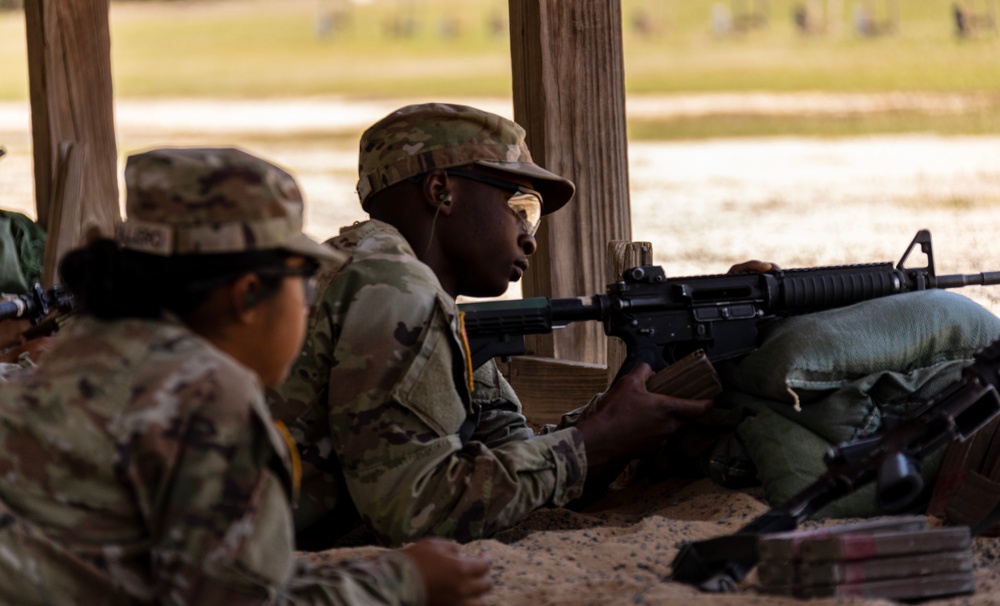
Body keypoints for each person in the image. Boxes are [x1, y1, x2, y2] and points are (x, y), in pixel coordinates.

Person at [0, 147, 492, 606]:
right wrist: (405, 580)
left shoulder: (80, 350)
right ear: (250, 294)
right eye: (306, 284)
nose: (307, 304)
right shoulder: (207, 391)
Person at [267, 103, 714, 549]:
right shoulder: (394, 288)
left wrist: (613, 421)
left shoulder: (400, 283)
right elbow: (417, 512)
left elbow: (506, 456)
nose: (530, 237)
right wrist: (595, 442)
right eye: (520, 206)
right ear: (441, 189)